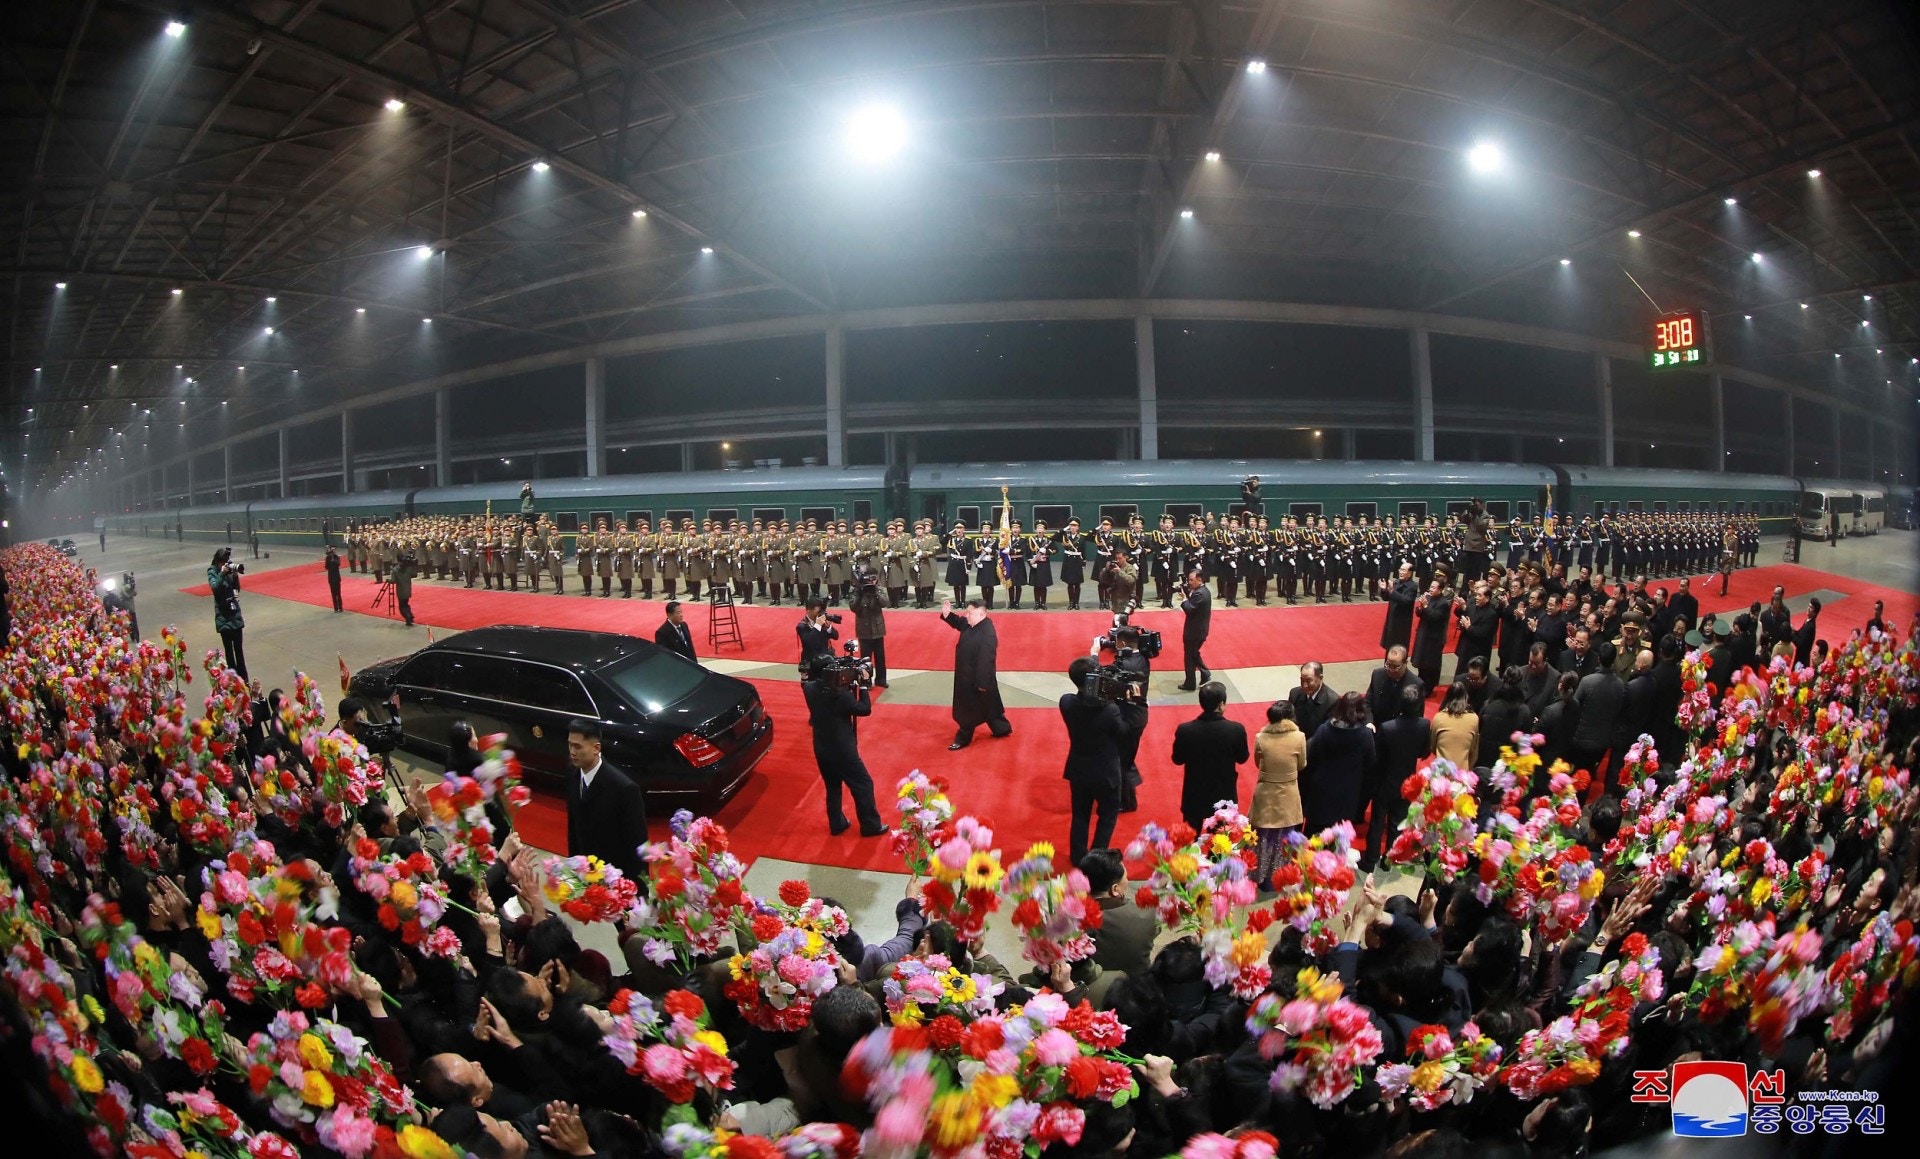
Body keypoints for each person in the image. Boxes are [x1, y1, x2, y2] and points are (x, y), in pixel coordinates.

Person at [802, 655, 887, 837]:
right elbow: (864, 709)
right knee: (863, 784)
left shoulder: (809, 689)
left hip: (821, 748)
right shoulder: (839, 695)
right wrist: (863, 685)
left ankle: (837, 823)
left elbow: (805, 682)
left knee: (833, 787)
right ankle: (870, 825)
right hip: (842, 749)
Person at [1060, 657, 1126, 865]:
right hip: (1106, 773)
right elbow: (1124, 732)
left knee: (1080, 815)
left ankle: (1078, 856)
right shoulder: (1110, 710)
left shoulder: (1067, 702)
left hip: (1079, 769)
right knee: (1107, 815)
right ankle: (1097, 860)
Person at [563, 719, 646, 882]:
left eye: (578, 746)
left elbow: (637, 845)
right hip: (586, 875)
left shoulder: (624, 789)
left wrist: (637, 890)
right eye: (570, 745)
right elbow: (573, 827)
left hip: (615, 878)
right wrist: (575, 866)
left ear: (596, 748)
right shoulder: (572, 776)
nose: (572, 752)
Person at [1363, 683, 1431, 871]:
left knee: (1377, 822)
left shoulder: (1387, 727)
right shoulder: (1424, 725)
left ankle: (1369, 861)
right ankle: (1388, 860)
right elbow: (1424, 751)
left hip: (1385, 780)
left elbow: (1378, 755)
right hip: (1407, 782)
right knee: (1396, 823)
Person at [1170, 682, 1247, 831]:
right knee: (1220, 844)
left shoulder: (1185, 730)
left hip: (1194, 793)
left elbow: (1177, 759)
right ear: (1221, 705)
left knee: (1190, 840)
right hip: (1223, 793)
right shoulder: (1236, 730)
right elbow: (1242, 758)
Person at [1250, 700, 1306, 890]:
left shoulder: (1261, 737)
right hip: (1288, 792)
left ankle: (1259, 876)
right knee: (1284, 836)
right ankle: (1279, 877)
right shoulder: (1299, 737)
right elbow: (1301, 764)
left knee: (1263, 836)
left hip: (1266, 792)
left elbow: (1258, 762)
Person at [941, 598, 1011, 749]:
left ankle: (963, 738)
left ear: (981, 614)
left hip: (976, 680)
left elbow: (987, 660)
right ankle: (1002, 728)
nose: (966, 615)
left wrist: (982, 683)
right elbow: (960, 623)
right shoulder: (972, 623)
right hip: (970, 676)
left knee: (967, 711)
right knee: (990, 707)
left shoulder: (987, 634)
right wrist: (948, 615)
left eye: (970, 613)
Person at [1077, 848, 1155, 980]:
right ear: (1115, 889)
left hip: (1086, 992)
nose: (1127, 881)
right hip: (1137, 989)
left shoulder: (1068, 920)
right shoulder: (1146, 914)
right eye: (1126, 878)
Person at [1301, 691, 1373, 832]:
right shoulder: (1365, 734)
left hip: (1322, 789)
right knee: (1339, 836)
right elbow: (1370, 762)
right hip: (1348, 792)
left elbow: (1311, 755)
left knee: (1314, 834)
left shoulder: (1325, 729)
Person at [1568, 641, 1624, 781]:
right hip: (1603, 741)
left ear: (1599, 658)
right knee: (1588, 775)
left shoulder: (1587, 681)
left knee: (1576, 775)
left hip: (1582, 738)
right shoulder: (1620, 685)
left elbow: (1574, 705)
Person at [208, 547, 248, 681]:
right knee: (230, 654)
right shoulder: (212, 571)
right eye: (223, 563)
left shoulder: (229, 570)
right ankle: (233, 682)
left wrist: (234, 576)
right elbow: (215, 589)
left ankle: (244, 681)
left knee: (239, 652)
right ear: (218, 562)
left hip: (235, 615)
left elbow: (237, 589)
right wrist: (222, 574)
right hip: (223, 617)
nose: (226, 564)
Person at [1410, 577, 1453, 693]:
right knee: (1421, 662)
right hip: (1423, 633)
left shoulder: (1443, 603)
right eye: (1431, 586)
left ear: (1440, 590)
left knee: (1429, 665)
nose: (1431, 589)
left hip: (1433, 638)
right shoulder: (1428, 597)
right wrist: (1420, 606)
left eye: (1434, 587)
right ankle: (1420, 684)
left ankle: (1428, 689)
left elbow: (1435, 617)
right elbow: (1419, 613)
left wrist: (1425, 607)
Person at [848, 569, 889, 688]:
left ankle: (881, 679)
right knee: (866, 659)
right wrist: (860, 593)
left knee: (880, 657)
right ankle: (866, 680)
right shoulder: (857, 591)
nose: (872, 582)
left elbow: (885, 602)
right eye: (870, 580)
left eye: (874, 579)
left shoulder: (878, 589)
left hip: (878, 629)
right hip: (864, 630)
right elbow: (853, 607)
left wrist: (875, 592)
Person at [1364, 645, 1421, 725]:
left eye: (1395, 667)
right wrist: (1369, 722)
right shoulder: (1377, 675)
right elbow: (1367, 703)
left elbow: (1416, 717)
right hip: (1376, 728)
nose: (1391, 670)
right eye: (1388, 665)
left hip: (1399, 731)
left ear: (1405, 663)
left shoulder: (1416, 684)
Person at [1175, 567, 1212, 691]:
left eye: (1191, 580)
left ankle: (1190, 683)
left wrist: (1184, 598)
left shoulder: (1200, 593)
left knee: (1189, 657)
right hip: (1198, 630)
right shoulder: (1201, 591)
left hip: (1195, 632)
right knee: (1193, 654)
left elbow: (1189, 609)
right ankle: (1205, 673)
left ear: (1199, 580)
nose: (1189, 582)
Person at [1430, 681, 1480, 769]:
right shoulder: (1474, 718)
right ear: (1466, 698)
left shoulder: (1439, 718)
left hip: (1441, 774)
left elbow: (1433, 747)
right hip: (1463, 775)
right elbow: (1473, 750)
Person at [1286, 661, 1336, 740]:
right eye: (1302, 680)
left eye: (1309, 681)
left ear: (1320, 678)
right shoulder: (1294, 693)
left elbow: (1329, 732)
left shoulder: (1333, 701)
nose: (1305, 685)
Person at [1378, 561, 1418, 652]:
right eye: (1400, 569)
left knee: (1398, 648)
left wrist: (1392, 592)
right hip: (1391, 619)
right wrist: (1384, 590)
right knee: (1389, 647)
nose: (1401, 572)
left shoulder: (1412, 587)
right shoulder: (1396, 582)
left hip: (1402, 622)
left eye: (1404, 570)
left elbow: (1406, 601)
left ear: (1410, 573)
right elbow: (1387, 598)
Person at [796, 597, 841, 674]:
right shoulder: (802, 626)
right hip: (812, 661)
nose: (819, 613)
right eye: (817, 611)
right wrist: (817, 625)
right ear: (808, 611)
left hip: (826, 659)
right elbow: (809, 642)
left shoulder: (822, 621)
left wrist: (828, 627)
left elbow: (836, 636)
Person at [392, 544, 417, 627]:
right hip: (408, 589)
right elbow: (414, 575)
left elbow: (393, 581)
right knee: (406, 604)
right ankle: (410, 615)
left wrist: (389, 581)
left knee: (402, 606)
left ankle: (408, 618)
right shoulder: (408, 568)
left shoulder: (395, 569)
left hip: (400, 590)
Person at [325, 545, 344, 613]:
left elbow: (338, 564)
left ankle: (340, 607)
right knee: (333, 594)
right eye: (332, 550)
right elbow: (326, 567)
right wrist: (330, 560)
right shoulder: (327, 558)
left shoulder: (337, 557)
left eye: (334, 550)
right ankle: (335, 608)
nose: (333, 551)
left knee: (338, 593)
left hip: (336, 577)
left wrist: (333, 560)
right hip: (331, 577)